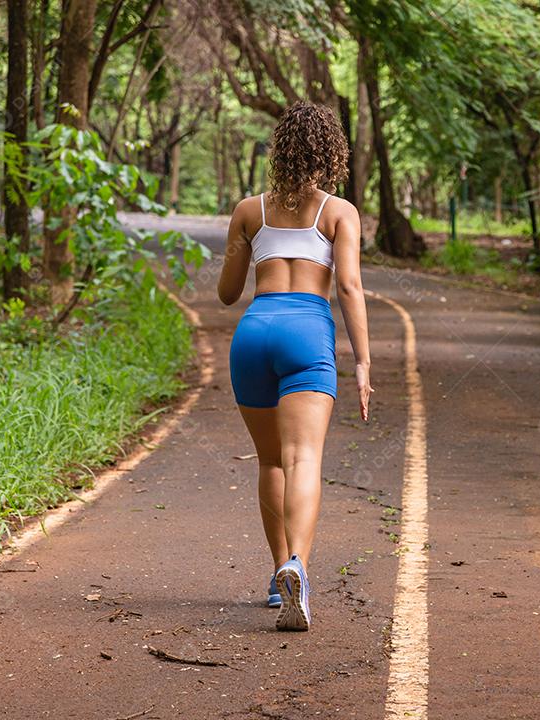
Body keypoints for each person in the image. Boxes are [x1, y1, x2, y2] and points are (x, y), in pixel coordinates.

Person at [217, 101, 373, 631]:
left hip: (254, 333)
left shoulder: (248, 210)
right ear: (330, 152)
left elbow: (226, 293)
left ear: (279, 150)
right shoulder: (338, 212)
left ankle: (276, 572)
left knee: (270, 463)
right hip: (307, 331)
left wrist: (243, 244)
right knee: (303, 458)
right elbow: (349, 287)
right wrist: (363, 364)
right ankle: (298, 567)